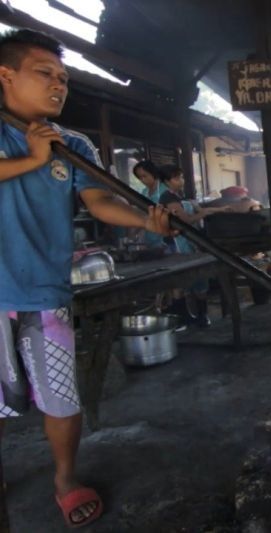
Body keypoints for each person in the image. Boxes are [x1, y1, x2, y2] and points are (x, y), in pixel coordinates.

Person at [0, 29, 172, 528]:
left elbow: (99, 201)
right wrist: (33, 159)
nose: (58, 85)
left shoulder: (72, 145)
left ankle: (64, 479)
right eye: (45, 73)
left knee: (61, 396)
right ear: (5, 74)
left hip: (44, 292)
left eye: (64, 79)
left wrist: (145, 220)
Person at [158, 165, 227, 326]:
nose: (181, 180)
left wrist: (219, 209)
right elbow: (185, 221)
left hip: (192, 242)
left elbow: (198, 209)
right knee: (182, 280)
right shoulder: (167, 198)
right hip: (179, 243)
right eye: (176, 178)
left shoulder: (180, 196)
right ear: (167, 181)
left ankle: (201, 315)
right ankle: (183, 317)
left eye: (181, 177)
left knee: (200, 278)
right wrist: (203, 214)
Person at [132, 159, 168, 248]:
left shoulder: (165, 190)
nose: (142, 180)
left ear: (153, 173)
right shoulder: (144, 192)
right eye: (140, 177)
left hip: (164, 235)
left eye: (145, 176)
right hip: (149, 235)